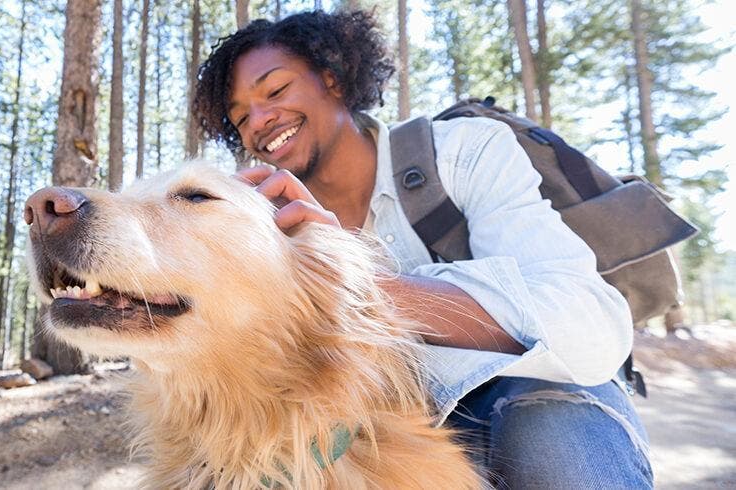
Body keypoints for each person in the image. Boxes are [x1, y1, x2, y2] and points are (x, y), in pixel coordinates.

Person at [191, 10, 653, 488]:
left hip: (542, 394)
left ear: (331, 77)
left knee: (554, 444)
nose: (261, 120)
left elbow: (590, 323)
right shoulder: (267, 230)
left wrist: (355, 284)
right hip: (385, 433)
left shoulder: (464, 153)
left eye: (276, 90)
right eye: (241, 117)